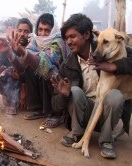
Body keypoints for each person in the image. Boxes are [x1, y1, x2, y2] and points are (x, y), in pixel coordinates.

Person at [51, 13, 132, 159]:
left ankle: (106, 140)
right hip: (84, 113)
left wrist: (114, 66)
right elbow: (55, 106)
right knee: (74, 91)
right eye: (66, 38)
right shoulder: (67, 66)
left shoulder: (105, 47)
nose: (68, 42)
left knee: (114, 95)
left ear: (87, 34)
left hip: (108, 115)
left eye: (72, 36)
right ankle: (77, 133)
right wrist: (64, 96)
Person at [0, 13, 70, 125]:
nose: (42, 33)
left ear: (53, 30)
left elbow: (45, 61)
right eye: (40, 29)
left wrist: (22, 52)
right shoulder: (35, 43)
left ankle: (56, 114)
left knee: (48, 70)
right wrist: (8, 52)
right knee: (30, 68)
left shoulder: (58, 42)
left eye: (47, 30)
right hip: (34, 82)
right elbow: (21, 66)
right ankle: (38, 109)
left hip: (59, 83)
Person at [0, 18, 33, 115]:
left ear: (31, 34)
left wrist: (21, 77)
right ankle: (11, 102)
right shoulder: (7, 48)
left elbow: (34, 72)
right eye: (19, 30)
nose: (22, 34)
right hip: (10, 85)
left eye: (26, 31)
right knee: (10, 70)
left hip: (28, 87)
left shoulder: (33, 49)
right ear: (16, 31)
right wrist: (2, 73)